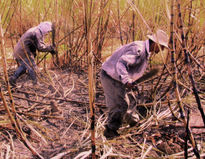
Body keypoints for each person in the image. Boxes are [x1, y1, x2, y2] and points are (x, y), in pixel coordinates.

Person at [100, 29, 169, 139]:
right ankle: (110, 130)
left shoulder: (145, 51)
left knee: (131, 101)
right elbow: (121, 63)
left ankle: (134, 123)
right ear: (156, 44)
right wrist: (127, 80)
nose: (162, 49)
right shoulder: (139, 49)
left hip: (119, 77)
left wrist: (131, 80)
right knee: (120, 104)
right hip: (111, 77)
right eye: (162, 46)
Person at [9, 21, 56, 87]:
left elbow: (40, 44)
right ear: (45, 28)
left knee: (24, 66)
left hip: (18, 51)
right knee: (32, 67)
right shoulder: (37, 32)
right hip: (24, 51)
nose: (47, 33)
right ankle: (35, 84)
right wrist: (50, 48)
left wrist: (49, 49)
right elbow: (40, 47)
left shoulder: (36, 30)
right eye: (48, 31)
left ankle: (13, 78)